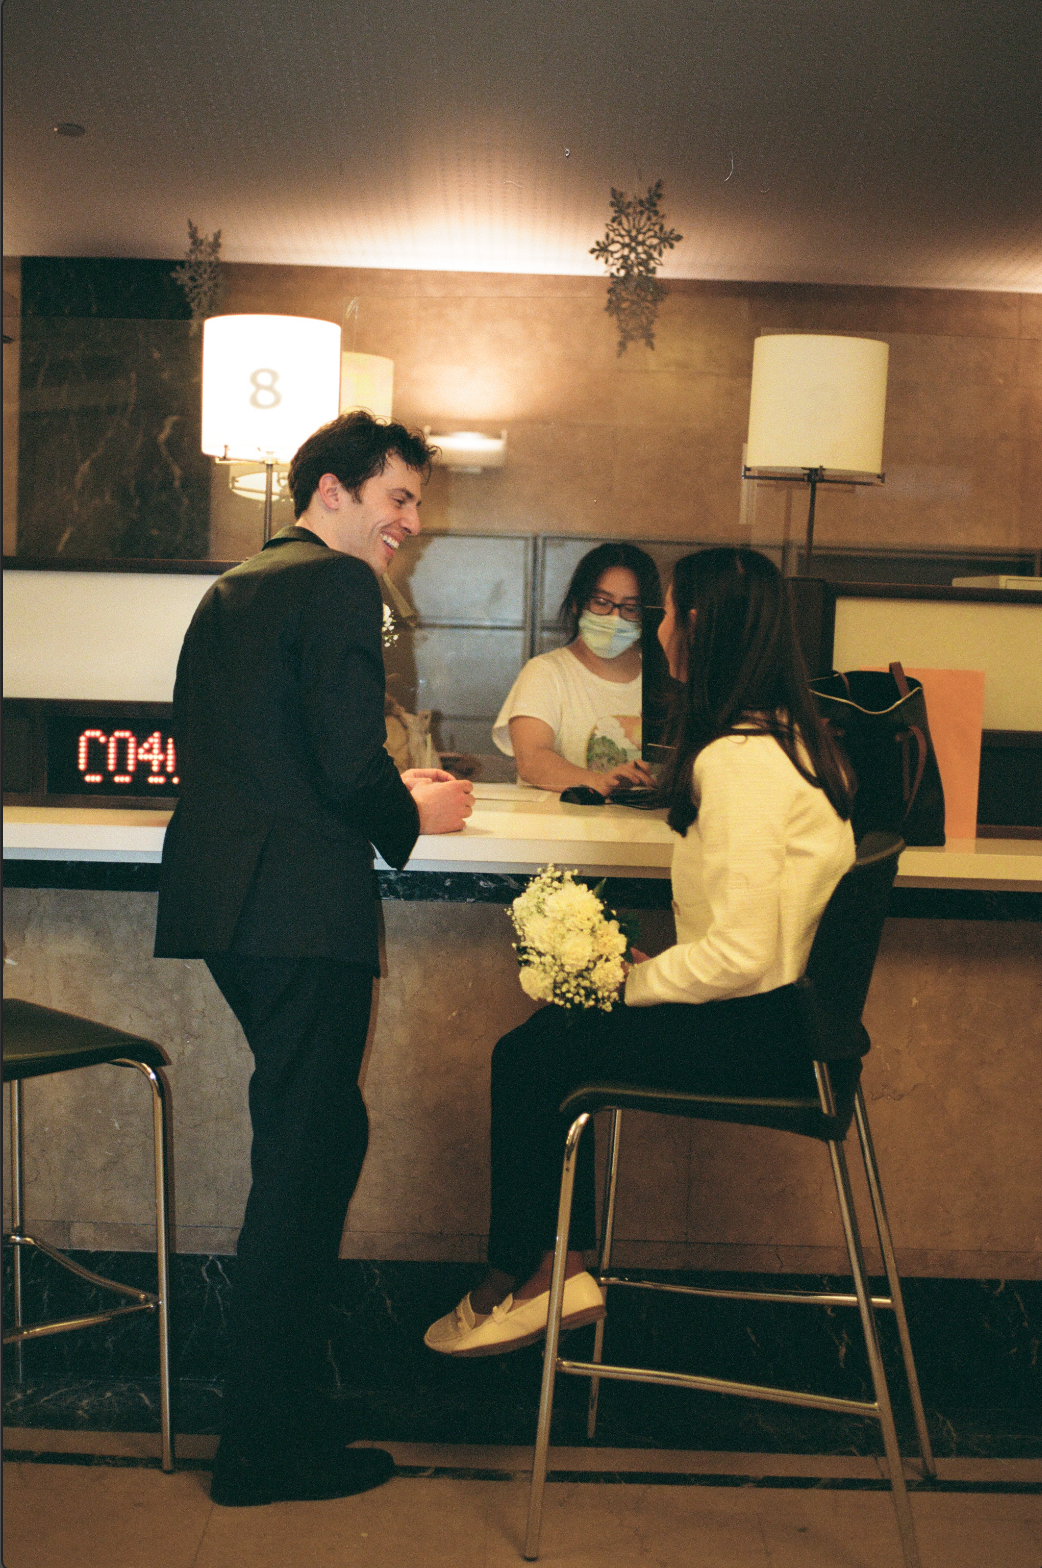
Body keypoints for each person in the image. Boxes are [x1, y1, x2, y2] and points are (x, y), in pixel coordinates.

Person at [424, 546, 855, 1356]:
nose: (653, 632)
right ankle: (548, 1269)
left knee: (535, 1054)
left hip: (757, 1035)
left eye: (664, 613)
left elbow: (738, 955)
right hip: (786, 1026)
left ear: (699, 626)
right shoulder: (786, 741)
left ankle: (534, 1274)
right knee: (548, 1043)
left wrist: (630, 984)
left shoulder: (740, 763)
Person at [155, 411, 473, 1504]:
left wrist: (387, 792)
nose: (410, 522)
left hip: (234, 901)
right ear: (331, 490)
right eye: (399, 498)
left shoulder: (239, 583)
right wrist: (417, 811)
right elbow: (345, 762)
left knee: (316, 1139)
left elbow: (260, 748)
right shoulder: (339, 583)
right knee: (305, 1158)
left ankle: (285, 1404)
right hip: (296, 906)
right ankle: (260, 1446)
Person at [492, 542, 666, 794]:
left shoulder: (663, 676)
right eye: (601, 602)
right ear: (577, 602)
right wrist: (599, 782)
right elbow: (532, 760)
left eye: (631, 608)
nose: (614, 617)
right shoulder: (545, 672)